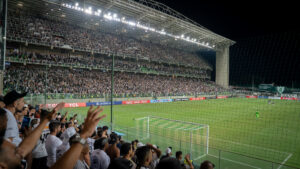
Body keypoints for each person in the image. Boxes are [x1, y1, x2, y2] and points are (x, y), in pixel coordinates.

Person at [0, 102, 65, 169]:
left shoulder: (35, 126)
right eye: (15, 152)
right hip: (43, 154)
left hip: (36, 154)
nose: (20, 151)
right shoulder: (48, 125)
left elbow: (24, 147)